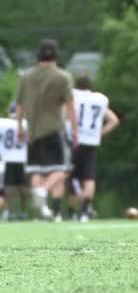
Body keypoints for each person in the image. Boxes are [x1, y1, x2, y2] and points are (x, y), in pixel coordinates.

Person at [16, 39, 78, 221]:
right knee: (62, 169)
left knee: (37, 171)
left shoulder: (26, 77)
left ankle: (40, 211)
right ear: (57, 55)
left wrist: (20, 126)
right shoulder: (62, 77)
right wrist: (75, 129)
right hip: (54, 129)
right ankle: (42, 192)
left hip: (33, 131)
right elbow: (70, 105)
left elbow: (19, 105)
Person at [68, 76, 120, 222]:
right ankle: (85, 210)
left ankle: (72, 211)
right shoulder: (99, 99)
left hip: (75, 140)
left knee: (72, 177)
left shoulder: (73, 96)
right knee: (89, 178)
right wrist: (99, 133)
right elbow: (114, 120)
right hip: (92, 142)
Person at [0, 103, 29, 220]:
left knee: (9, 187)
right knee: (22, 187)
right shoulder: (27, 125)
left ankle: (10, 211)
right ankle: (23, 211)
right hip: (22, 159)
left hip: (7, 158)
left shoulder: (3, 124)